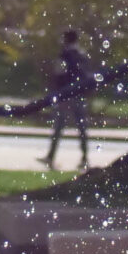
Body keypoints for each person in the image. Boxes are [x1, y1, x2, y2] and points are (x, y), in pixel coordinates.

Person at [41, 27, 93, 170]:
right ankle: (85, 158)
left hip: (65, 95)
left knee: (58, 127)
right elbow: (87, 76)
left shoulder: (64, 55)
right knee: (82, 128)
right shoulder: (82, 55)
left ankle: (50, 156)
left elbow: (59, 74)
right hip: (79, 95)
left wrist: (58, 94)